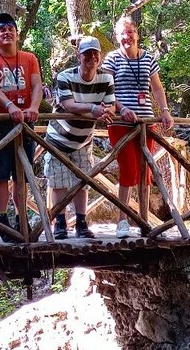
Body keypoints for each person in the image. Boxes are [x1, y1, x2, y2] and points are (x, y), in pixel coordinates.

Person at [102, 16, 174, 238]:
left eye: (130, 31)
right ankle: (122, 220)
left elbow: (157, 88)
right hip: (122, 123)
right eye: (123, 33)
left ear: (137, 33)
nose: (127, 37)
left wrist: (164, 110)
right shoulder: (111, 59)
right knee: (128, 170)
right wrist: (121, 108)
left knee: (146, 172)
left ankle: (144, 219)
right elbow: (107, 91)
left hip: (145, 123)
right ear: (117, 37)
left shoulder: (148, 58)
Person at [0, 12, 43, 241]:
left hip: (25, 122)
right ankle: (2, 217)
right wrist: (8, 106)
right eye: (1, 29)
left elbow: (37, 86)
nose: (6, 32)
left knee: (22, 174)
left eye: (10, 28)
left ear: (17, 33)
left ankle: (21, 216)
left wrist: (33, 107)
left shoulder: (29, 58)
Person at [45, 36, 115, 240]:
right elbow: (69, 105)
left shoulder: (106, 78)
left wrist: (105, 111)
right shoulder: (65, 76)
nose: (91, 57)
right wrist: (94, 109)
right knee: (58, 182)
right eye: (87, 54)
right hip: (58, 138)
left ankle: (81, 222)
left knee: (82, 182)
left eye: (95, 53)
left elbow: (110, 104)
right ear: (79, 57)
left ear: (100, 56)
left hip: (84, 140)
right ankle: (60, 222)